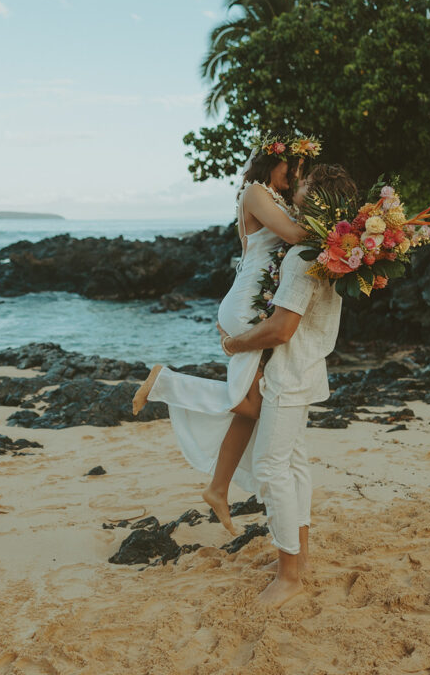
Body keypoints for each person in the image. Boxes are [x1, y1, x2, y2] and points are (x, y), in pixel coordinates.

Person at [131, 136, 317, 533]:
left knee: (252, 403)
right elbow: (297, 236)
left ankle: (217, 487)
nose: (295, 174)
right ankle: (166, 383)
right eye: (292, 166)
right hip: (248, 302)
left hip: (258, 301)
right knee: (251, 404)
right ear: (272, 162)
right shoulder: (254, 192)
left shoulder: (277, 196)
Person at [219, 162, 357, 608]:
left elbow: (280, 329)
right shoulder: (328, 256)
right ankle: (300, 561)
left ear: (314, 198)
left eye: (306, 182)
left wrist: (237, 344)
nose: (297, 184)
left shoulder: (302, 258)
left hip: (287, 373)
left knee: (272, 469)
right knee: (294, 466)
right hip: (307, 370)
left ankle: (289, 576)